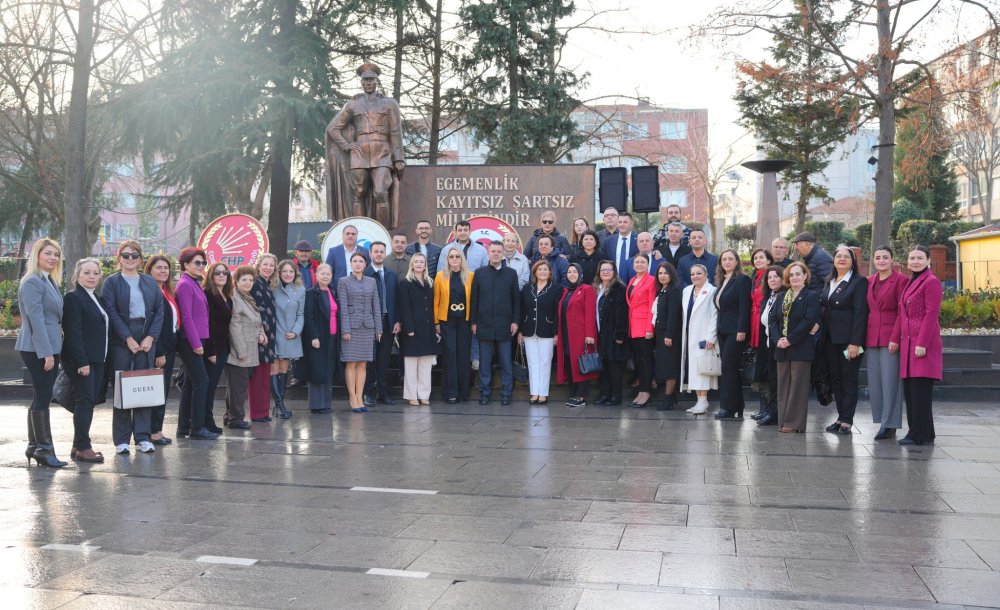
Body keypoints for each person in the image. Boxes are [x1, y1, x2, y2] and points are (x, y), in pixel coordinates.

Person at [101, 241, 164, 455]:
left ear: (140, 259)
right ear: (119, 258)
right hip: (122, 338)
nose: (130, 259)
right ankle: (121, 439)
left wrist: (150, 337)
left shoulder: (148, 282)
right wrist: (127, 337)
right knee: (123, 388)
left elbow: (159, 311)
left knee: (144, 388)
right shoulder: (111, 282)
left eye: (134, 255)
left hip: (146, 336)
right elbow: (110, 311)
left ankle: (143, 437)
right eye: (126, 255)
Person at [325, 62, 405, 227]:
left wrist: (398, 158)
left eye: (371, 79)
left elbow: (395, 132)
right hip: (359, 152)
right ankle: (359, 232)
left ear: (377, 81)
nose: (368, 83)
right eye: (365, 80)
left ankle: (382, 236)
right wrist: (346, 145)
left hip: (382, 151)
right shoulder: (353, 104)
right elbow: (332, 129)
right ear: (361, 83)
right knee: (359, 192)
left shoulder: (390, 104)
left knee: (381, 192)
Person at [17, 238, 66, 467]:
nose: (53, 258)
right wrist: (46, 353)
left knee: (41, 395)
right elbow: (35, 320)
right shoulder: (32, 282)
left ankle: (34, 446)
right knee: (44, 395)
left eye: (56, 254)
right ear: (37, 255)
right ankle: (45, 450)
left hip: (49, 347)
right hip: (36, 348)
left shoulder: (50, 281)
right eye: (48, 253)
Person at [62, 258, 108, 463]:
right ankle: (84, 447)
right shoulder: (73, 298)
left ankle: (77, 445)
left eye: (95, 273)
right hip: (83, 361)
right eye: (86, 272)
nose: (91, 276)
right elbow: (73, 332)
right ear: (77, 276)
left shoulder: (95, 297)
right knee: (85, 402)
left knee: (87, 402)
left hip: (98, 359)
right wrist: (81, 362)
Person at [820, 245, 869, 435]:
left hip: (850, 340)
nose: (841, 259)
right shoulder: (829, 280)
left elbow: (860, 314)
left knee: (849, 379)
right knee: (837, 379)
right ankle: (840, 417)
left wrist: (855, 342)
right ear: (833, 260)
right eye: (838, 256)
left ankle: (847, 420)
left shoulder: (859, 282)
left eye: (846, 257)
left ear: (852, 261)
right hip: (830, 339)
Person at [898, 245, 943, 446]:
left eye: (919, 258)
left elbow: (931, 314)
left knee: (920, 393)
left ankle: (917, 434)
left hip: (922, 344)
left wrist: (922, 342)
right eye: (912, 258)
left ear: (928, 261)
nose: (915, 261)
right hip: (909, 344)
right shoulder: (911, 281)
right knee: (912, 391)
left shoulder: (931, 281)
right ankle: (926, 432)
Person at [770, 262, 821, 432]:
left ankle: (794, 424)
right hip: (781, 347)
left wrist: (790, 339)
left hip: (800, 346)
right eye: (791, 275)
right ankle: (783, 421)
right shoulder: (782, 296)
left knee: (798, 387)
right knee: (783, 386)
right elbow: (773, 320)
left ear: (805, 276)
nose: (794, 277)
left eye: (798, 274)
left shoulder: (811, 296)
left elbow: (809, 321)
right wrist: (778, 339)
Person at [174, 247, 218, 440]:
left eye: (203, 263)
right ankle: (197, 428)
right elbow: (186, 316)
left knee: (192, 384)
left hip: (198, 338)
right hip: (190, 340)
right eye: (197, 263)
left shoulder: (193, 283)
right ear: (185, 265)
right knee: (202, 381)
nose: (201, 266)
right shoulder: (184, 284)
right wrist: (195, 344)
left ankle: (184, 427)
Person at [471, 241, 521, 406]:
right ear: (488, 252)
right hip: (484, 324)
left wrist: (515, 321)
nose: (496, 254)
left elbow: (516, 300)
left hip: (505, 325)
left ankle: (506, 393)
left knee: (506, 362)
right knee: (485, 363)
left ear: (502, 253)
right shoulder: (479, 273)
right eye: (493, 251)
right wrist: (473, 322)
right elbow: (474, 300)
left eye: (499, 251)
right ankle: (484, 393)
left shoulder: (511, 273)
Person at [866, 245, 908, 441]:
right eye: (878, 257)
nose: (881, 260)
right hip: (871, 336)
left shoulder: (901, 281)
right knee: (876, 383)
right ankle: (882, 420)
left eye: (885, 257)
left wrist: (895, 338)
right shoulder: (869, 281)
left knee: (890, 382)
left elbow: (902, 312)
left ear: (892, 259)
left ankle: (890, 424)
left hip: (891, 336)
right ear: (873, 260)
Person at [338, 252, 382, 413]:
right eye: (355, 261)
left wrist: (379, 328)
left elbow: (376, 305)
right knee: (351, 363)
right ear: (351, 264)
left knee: (363, 363)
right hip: (351, 328)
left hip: (367, 327)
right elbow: (342, 307)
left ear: (365, 265)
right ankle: (352, 397)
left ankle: (360, 395)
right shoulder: (343, 282)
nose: (358, 264)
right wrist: (345, 329)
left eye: (361, 261)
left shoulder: (371, 281)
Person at [713, 249, 752, 420]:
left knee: (728, 367)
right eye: (724, 259)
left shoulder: (742, 280)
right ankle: (737, 406)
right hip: (723, 330)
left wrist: (741, 329)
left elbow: (745, 306)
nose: (727, 262)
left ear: (737, 262)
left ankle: (727, 408)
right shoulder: (722, 281)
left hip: (736, 332)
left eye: (730, 259)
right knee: (731, 368)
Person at [226, 266, 265, 428]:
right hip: (240, 351)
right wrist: (241, 351)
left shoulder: (248, 298)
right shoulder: (235, 297)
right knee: (238, 388)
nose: (248, 283)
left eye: (251, 280)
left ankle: (230, 417)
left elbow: (257, 320)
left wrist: (262, 333)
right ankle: (236, 419)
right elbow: (234, 326)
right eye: (244, 280)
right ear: (236, 281)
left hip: (251, 348)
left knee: (236, 387)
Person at [519, 260, 562, 405]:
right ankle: (534, 393)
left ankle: (543, 393)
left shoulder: (556, 288)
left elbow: (557, 312)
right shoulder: (526, 288)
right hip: (529, 330)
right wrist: (520, 331)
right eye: (539, 269)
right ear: (535, 272)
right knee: (532, 363)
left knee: (545, 362)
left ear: (550, 272)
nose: (542, 272)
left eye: (545, 269)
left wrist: (556, 333)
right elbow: (522, 310)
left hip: (548, 330)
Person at [145, 255, 177, 445]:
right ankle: (153, 431)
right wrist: (160, 352)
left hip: (170, 348)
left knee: (162, 391)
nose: (163, 271)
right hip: (159, 350)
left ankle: (157, 428)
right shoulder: (150, 292)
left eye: (166, 268)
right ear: (149, 270)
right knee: (156, 391)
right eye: (159, 267)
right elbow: (156, 325)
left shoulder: (166, 291)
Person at [434, 249, 474, 404]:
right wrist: (436, 322)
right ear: (447, 259)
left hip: (465, 322)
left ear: (462, 259)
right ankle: (451, 393)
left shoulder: (470, 276)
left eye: (457, 256)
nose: (455, 259)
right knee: (450, 355)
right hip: (447, 321)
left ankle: (464, 392)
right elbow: (435, 301)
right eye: (451, 257)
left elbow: (474, 300)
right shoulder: (440, 276)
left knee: (463, 356)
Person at [556, 264, 598, 407]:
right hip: (566, 334)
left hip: (581, 334)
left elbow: (590, 313)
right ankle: (573, 392)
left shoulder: (587, 289)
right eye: (569, 272)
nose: (572, 274)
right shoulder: (565, 291)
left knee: (580, 363)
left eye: (575, 272)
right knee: (569, 363)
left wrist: (590, 334)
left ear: (580, 274)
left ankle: (581, 395)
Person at [397, 253, 436, 405]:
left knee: (426, 364)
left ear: (425, 265)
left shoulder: (429, 282)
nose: (419, 264)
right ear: (412, 265)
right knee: (411, 364)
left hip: (427, 328)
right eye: (416, 262)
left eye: (422, 262)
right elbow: (404, 307)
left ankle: (424, 395)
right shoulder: (405, 283)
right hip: (412, 329)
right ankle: (412, 395)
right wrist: (409, 328)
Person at [680, 264, 718, 415]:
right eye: (693, 274)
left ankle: (703, 401)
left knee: (702, 369)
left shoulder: (712, 291)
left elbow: (715, 315)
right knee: (694, 369)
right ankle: (699, 401)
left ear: (706, 274)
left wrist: (711, 337)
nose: (695, 276)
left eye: (698, 273)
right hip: (689, 335)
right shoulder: (687, 290)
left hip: (704, 336)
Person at [364, 241, 398, 406]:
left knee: (384, 360)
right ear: (370, 254)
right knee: (370, 360)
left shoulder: (392, 275)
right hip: (370, 324)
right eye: (375, 251)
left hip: (388, 322)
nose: (378, 254)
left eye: (381, 252)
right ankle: (368, 393)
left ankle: (383, 392)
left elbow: (395, 300)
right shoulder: (365, 274)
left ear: (385, 254)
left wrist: (397, 320)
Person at [302, 264, 338, 414]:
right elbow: (308, 317)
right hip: (318, 336)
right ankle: (317, 405)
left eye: (328, 274)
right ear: (316, 275)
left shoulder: (333, 291)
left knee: (328, 369)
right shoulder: (311, 293)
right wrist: (314, 336)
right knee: (317, 369)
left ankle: (326, 403)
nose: (326, 276)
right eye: (322, 273)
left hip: (332, 335)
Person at [248, 254, 279, 423]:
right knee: (257, 377)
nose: (268, 267)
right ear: (258, 266)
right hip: (260, 337)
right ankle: (257, 413)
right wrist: (261, 332)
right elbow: (255, 312)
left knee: (264, 376)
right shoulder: (255, 284)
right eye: (265, 264)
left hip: (269, 337)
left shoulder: (267, 285)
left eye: (271, 265)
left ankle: (263, 411)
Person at [202, 262, 233, 429]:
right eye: (217, 273)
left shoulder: (227, 296)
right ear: (211, 275)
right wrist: (211, 350)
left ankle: (207, 419)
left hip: (223, 348)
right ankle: (207, 421)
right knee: (208, 387)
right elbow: (209, 325)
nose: (221, 275)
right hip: (212, 348)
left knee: (212, 386)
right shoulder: (208, 294)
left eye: (225, 273)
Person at [594, 261, 629, 406]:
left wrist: (620, 334)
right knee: (604, 366)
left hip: (614, 334)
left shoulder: (619, 288)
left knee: (615, 367)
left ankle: (616, 396)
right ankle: (605, 394)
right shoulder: (597, 288)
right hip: (600, 333)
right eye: (603, 270)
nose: (606, 272)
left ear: (614, 272)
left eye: (609, 270)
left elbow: (622, 312)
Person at [272, 260, 304, 419]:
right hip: (274, 333)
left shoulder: (300, 290)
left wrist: (295, 331)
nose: (287, 274)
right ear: (279, 273)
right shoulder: (273, 288)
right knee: (274, 370)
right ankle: (279, 406)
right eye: (284, 271)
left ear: (295, 273)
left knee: (284, 370)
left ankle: (280, 405)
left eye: (290, 271)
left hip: (289, 335)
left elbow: (301, 314)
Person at [625, 253, 658, 407]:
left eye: (642, 262)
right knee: (638, 360)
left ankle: (646, 392)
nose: (639, 264)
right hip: (633, 326)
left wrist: (650, 329)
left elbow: (652, 305)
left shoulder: (651, 281)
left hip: (645, 326)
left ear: (648, 264)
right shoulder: (632, 280)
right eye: (637, 262)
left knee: (646, 361)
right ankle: (641, 392)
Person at [754, 266, 785, 426]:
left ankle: (775, 412)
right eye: (769, 277)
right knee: (770, 377)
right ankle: (770, 410)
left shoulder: (785, 296)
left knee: (777, 379)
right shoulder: (768, 298)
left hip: (780, 343)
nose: (772, 279)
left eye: (776, 276)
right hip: (767, 343)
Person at [748, 248, 775, 420]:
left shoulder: (771, 276)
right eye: (755, 258)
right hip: (754, 322)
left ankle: (770, 409)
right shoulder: (755, 276)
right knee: (760, 367)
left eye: (761, 257)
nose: (758, 260)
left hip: (765, 324)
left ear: (769, 261)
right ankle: (763, 408)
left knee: (766, 369)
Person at [653, 262, 683, 411]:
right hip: (661, 333)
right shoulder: (662, 290)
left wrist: (669, 335)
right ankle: (672, 397)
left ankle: (668, 397)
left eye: (665, 273)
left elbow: (673, 315)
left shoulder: (674, 290)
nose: (662, 276)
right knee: (665, 365)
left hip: (669, 334)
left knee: (670, 367)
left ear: (671, 275)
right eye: (660, 273)